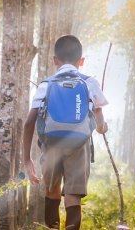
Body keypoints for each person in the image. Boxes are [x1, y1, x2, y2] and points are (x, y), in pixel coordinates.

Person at [22, 35, 108, 229]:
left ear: (55, 60)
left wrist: (27, 159)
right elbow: (100, 120)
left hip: (51, 144)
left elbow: (29, 123)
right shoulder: (90, 83)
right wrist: (102, 127)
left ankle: (51, 227)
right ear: (82, 61)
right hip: (79, 144)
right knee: (73, 195)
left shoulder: (46, 84)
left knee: (52, 190)